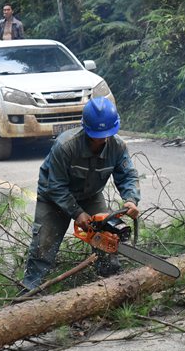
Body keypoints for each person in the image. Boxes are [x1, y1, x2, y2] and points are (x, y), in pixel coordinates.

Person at [21, 97, 140, 291]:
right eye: (97, 135)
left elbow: (127, 175)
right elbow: (56, 186)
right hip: (53, 198)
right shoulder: (65, 146)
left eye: (106, 134)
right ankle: (29, 290)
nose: (102, 139)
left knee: (107, 237)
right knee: (44, 244)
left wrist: (130, 200)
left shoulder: (117, 147)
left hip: (91, 196)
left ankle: (111, 284)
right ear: (86, 128)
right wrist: (77, 213)